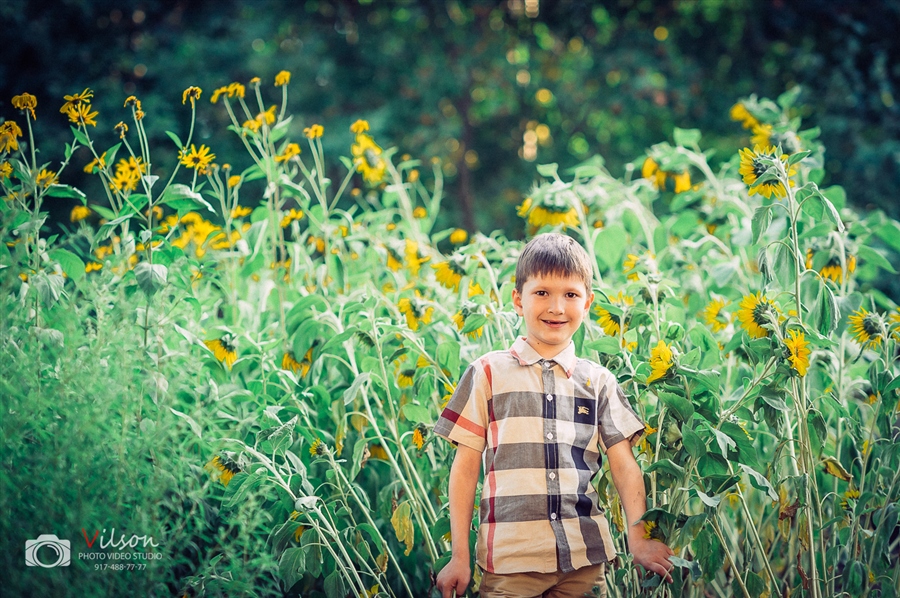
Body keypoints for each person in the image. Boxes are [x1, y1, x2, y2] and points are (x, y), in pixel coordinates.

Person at [433, 233, 674, 598]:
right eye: (542, 293)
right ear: (518, 300)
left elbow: (624, 466)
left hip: (584, 558)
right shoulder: (486, 374)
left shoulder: (599, 382)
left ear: (588, 302)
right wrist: (459, 557)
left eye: (571, 295)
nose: (557, 308)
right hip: (511, 563)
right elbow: (465, 468)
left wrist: (638, 540)